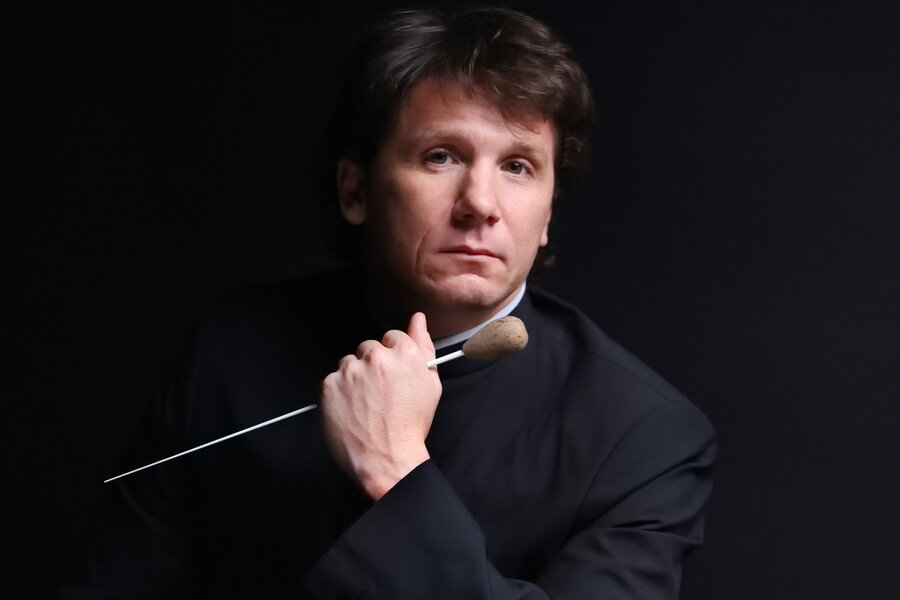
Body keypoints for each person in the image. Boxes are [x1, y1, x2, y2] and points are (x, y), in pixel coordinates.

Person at [61, 7, 716, 599]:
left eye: (517, 166)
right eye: (441, 156)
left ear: (547, 214)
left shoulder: (644, 437)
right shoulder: (231, 350)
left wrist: (394, 467)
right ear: (356, 191)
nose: (481, 204)